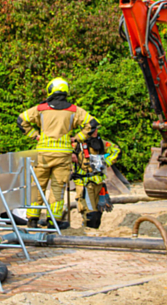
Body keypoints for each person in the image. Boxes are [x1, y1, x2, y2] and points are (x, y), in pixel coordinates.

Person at [17, 78, 98, 230]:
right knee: (58, 188)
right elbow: (92, 124)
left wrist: (35, 135)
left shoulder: (40, 109)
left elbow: (21, 120)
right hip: (63, 155)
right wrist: (77, 138)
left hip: (43, 154)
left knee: (37, 186)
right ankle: (53, 221)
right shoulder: (74, 110)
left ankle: (32, 219)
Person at [72, 128, 120, 229]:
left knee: (98, 215)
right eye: (93, 130)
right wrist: (70, 155)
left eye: (96, 130)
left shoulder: (100, 143)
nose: (95, 132)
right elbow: (61, 153)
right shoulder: (77, 144)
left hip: (99, 184)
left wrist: (106, 162)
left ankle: (92, 235)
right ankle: (86, 233)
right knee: (90, 215)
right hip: (84, 185)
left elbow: (116, 150)